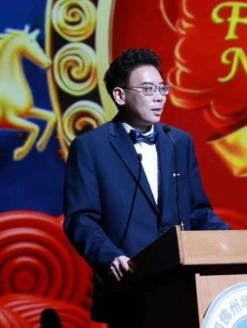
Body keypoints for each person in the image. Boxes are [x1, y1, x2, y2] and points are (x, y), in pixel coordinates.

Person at [63, 48, 229, 326]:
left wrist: (232, 242)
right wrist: (110, 257)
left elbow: (198, 212)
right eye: (148, 89)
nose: (159, 96)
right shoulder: (91, 147)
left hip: (182, 286)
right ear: (120, 95)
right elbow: (81, 219)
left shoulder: (179, 142)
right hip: (129, 287)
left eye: (162, 88)